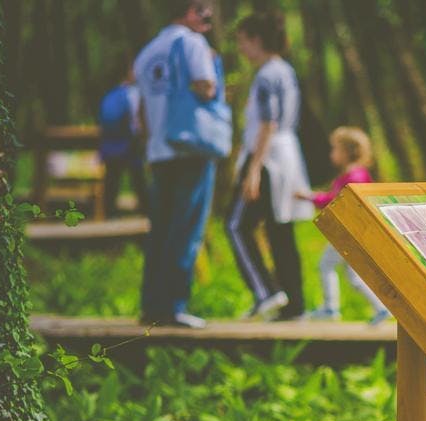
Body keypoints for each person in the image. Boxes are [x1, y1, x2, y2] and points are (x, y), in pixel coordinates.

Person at [134, 0, 220, 328]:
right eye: (204, 11)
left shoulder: (147, 52)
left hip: (159, 150)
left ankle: (151, 305)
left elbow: (141, 110)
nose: (208, 19)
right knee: (186, 228)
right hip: (189, 148)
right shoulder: (192, 43)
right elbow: (206, 86)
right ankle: (173, 307)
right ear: (188, 11)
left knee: (161, 229)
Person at [226, 11, 313, 321]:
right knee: (280, 229)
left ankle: (267, 292)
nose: (240, 49)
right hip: (287, 153)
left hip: (267, 157)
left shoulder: (266, 75)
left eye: (242, 42)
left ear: (256, 40)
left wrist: (253, 168)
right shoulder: (285, 70)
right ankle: (295, 304)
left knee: (236, 226)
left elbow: (268, 123)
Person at [296, 127, 389, 324]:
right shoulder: (354, 175)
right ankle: (381, 308)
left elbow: (336, 201)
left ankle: (331, 308)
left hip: (347, 233)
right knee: (354, 276)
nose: (332, 154)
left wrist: (310, 196)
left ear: (347, 152)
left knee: (326, 265)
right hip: (352, 232)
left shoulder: (354, 177)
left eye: (335, 149)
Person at [98, 57, 148, 217]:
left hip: (111, 145)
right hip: (128, 144)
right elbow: (137, 120)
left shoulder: (111, 94)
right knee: (139, 178)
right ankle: (146, 211)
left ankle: (109, 213)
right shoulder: (133, 93)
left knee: (112, 180)